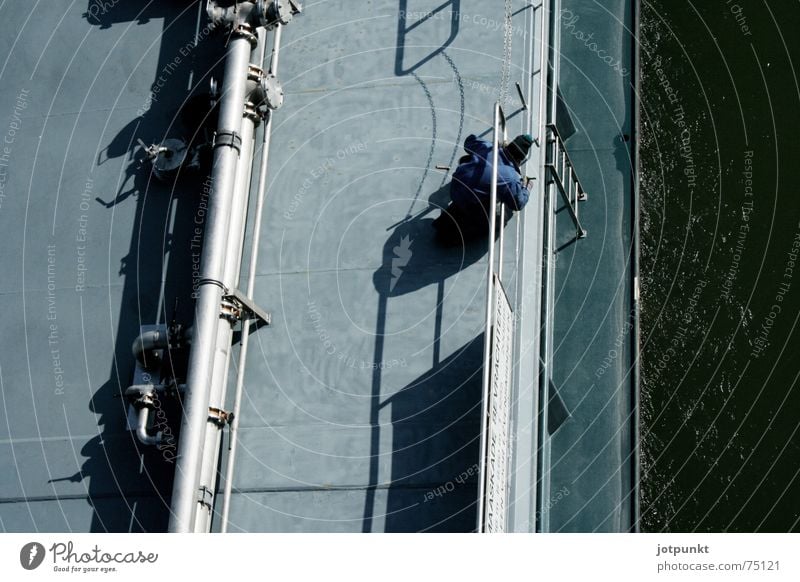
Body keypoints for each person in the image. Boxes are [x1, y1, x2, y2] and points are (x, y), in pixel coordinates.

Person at [433, 133, 534, 246]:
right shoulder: (511, 176)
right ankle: (453, 237)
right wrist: (527, 187)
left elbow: (468, 142)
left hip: (456, 189)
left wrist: (495, 145)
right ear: (520, 159)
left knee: (474, 169)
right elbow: (517, 204)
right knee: (499, 220)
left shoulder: (487, 147)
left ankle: (450, 218)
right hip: (469, 203)